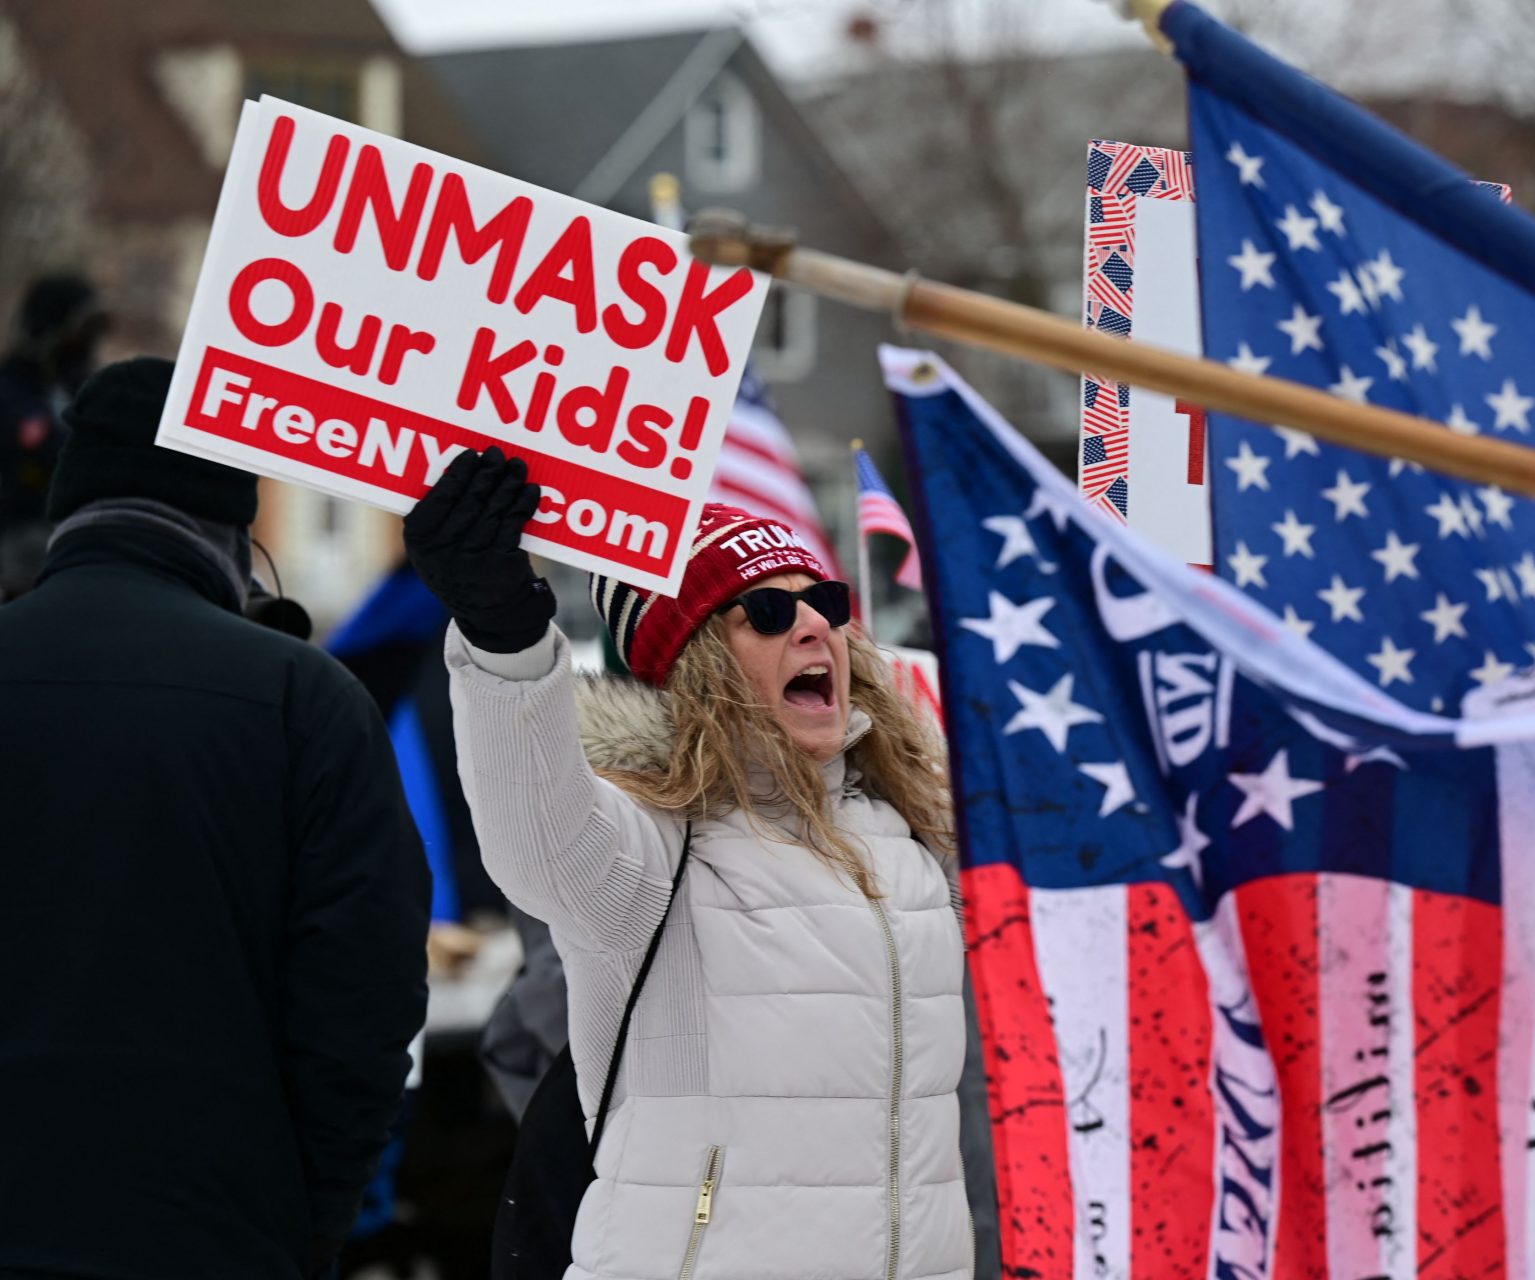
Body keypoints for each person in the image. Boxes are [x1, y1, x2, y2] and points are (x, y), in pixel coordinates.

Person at [406, 448, 972, 1280]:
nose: (815, 624)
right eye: (767, 614)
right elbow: (536, 836)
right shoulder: (654, 846)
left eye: (825, 602)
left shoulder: (919, 833)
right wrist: (503, 641)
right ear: (696, 662)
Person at [0, 358, 431, 1279]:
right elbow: (365, 999)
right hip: (213, 1234)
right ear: (238, 529)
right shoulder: (304, 698)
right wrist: (308, 1221)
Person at [0, 272, 109, 599]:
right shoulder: (12, 388)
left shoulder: (88, 389)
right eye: (79, 334)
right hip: (19, 533)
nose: (86, 346)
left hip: (78, 534)